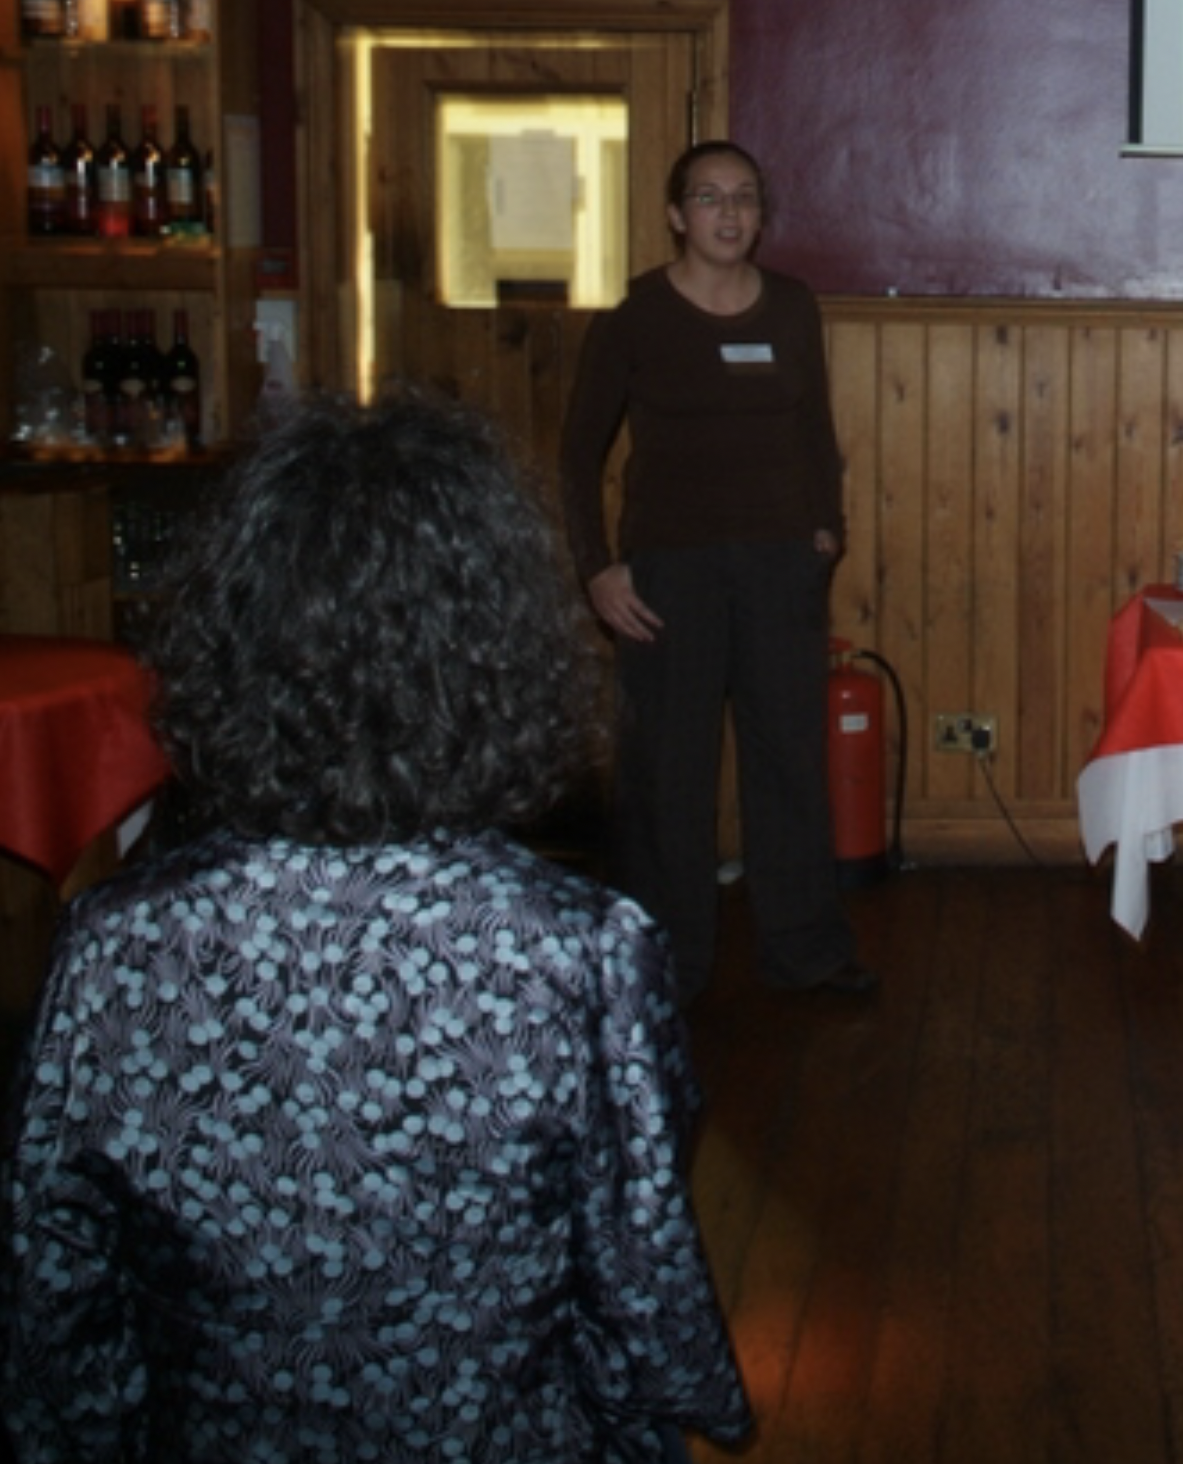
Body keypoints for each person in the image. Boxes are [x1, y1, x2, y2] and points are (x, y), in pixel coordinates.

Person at [1, 393, 751, 1458]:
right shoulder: (576, 953)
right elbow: (646, 1318)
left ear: (236, 645)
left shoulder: (111, 950)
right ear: (495, 654)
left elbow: (54, 1315)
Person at [561, 139, 872, 1002]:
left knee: (790, 762)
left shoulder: (792, 307)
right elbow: (578, 454)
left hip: (780, 568)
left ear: (761, 215)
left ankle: (805, 951)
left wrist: (826, 529)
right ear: (676, 215)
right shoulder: (635, 317)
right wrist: (597, 570)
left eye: (743, 197)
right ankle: (666, 964)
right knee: (666, 772)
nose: (728, 213)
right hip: (668, 575)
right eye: (708, 197)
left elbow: (814, 430)